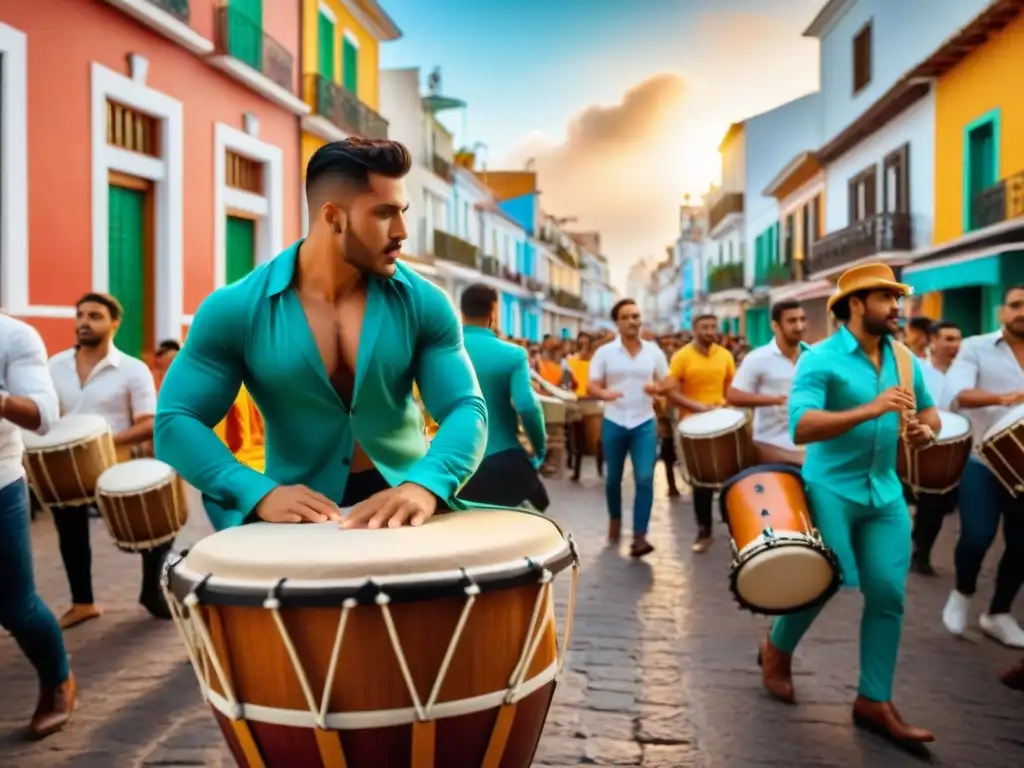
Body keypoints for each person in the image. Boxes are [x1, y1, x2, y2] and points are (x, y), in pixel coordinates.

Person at [155, 138, 487, 531]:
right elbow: (176, 419)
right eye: (383, 213)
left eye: (402, 212)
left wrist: (425, 484)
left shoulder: (425, 302)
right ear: (333, 218)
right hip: (295, 513)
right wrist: (257, 492)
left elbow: (467, 407)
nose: (400, 231)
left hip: (406, 503)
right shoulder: (235, 309)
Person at [758, 263, 940, 746]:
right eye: (886, 298)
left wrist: (926, 430)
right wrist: (870, 409)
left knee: (888, 594)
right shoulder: (818, 359)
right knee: (821, 583)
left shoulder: (904, 358)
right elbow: (802, 426)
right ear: (856, 305)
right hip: (831, 488)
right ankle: (777, 649)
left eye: (897, 298)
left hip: (884, 492)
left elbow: (928, 411)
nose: (896, 308)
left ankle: (873, 700)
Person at [48, 293, 169, 626]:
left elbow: (148, 422)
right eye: (80, 315)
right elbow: (44, 414)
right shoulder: (54, 365)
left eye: (95, 316)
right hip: (63, 468)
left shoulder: (133, 369)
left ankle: (151, 592)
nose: (84, 322)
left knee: (155, 524)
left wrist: (99, 442)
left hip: (112, 465)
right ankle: (82, 602)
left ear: (114, 323)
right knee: (69, 534)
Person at [0, 313, 77, 737]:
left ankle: (57, 680)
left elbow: (44, 414)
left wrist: (4, 402)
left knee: (15, 606)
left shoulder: (14, 336)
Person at [940, 286, 1024, 649]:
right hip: (982, 460)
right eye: (1017, 305)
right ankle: (962, 592)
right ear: (1001, 312)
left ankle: (998, 613)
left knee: (1022, 545)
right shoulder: (975, 347)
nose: (1023, 311)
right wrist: (1005, 398)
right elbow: (959, 392)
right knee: (977, 535)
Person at [587, 298, 672, 558]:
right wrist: (605, 393)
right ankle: (614, 521)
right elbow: (592, 386)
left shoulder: (653, 351)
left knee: (645, 477)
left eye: (636, 316)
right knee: (613, 479)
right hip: (614, 420)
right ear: (617, 322)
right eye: (627, 317)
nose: (633, 321)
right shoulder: (605, 353)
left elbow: (668, 382)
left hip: (643, 422)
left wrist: (657, 388)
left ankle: (639, 536)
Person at [457, 284, 549, 510]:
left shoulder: (439, 351)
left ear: (461, 311)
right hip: (502, 461)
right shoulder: (512, 354)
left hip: (452, 465)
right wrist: (539, 449)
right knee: (539, 510)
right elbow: (527, 405)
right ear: (494, 312)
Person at [666, 313, 736, 553]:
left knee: (731, 479)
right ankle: (704, 531)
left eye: (713, 327)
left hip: (722, 423)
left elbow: (731, 389)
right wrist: (698, 407)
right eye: (704, 327)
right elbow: (671, 392)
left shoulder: (725, 355)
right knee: (702, 482)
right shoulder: (681, 357)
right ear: (694, 330)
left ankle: (735, 528)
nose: (710, 331)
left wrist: (726, 406)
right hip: (694, 426)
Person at [907, 319, 962, 575]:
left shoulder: (965, 374)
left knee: (937, 507)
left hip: (949, 448)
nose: (955, 344)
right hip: (913, 444)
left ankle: (922, 551)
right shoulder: (916, 369)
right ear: (933, 341)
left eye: (957, 339)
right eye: (948, 339)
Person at [727, 300, 807, 467]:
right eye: (792, 321)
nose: (800, 326)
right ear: (775, 326)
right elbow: (734, 396)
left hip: (809, 446)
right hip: (770, 446)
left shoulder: (812, 357)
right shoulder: (757, 358)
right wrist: (775, 400)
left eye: (802, 319)